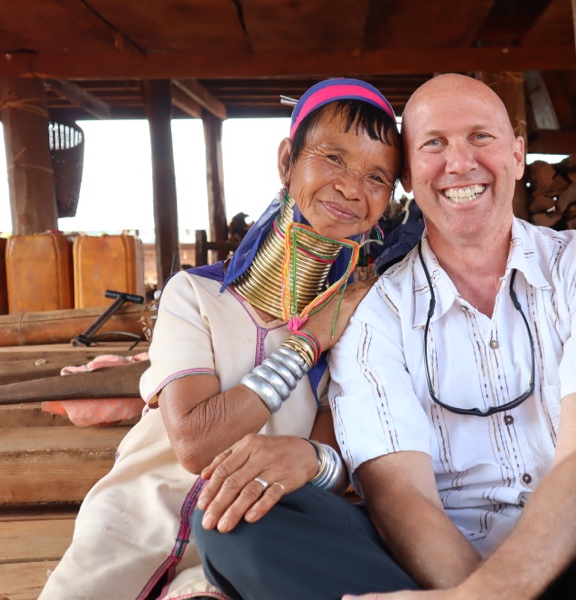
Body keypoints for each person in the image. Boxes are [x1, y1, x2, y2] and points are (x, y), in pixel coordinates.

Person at [192, 74, 576, 600]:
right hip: (433, 561)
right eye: (434, 143)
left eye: (481, 137)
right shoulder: (377, 309)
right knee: (232, 523)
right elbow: (400, 493)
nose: (460, 161)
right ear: (410, 177)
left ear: (518, 154)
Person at [40, 77, 402, 600]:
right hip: (132, 523)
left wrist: (311, 460)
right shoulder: (195, 296)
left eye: (377, 177)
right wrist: (308, 343)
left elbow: (335, 454)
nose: (351, 187)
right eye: (333, 158)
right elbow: (194, 442)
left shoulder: (363, 319)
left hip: (249, 533)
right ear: (286, 161)